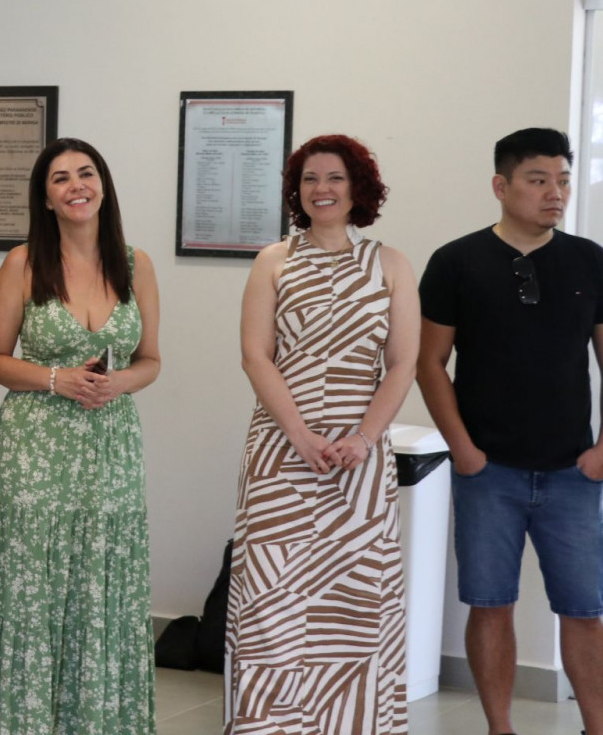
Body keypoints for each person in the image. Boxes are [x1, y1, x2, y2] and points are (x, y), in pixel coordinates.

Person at [0, 137, 162, 735]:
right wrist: (57, 379)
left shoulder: (136, 264)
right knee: (32, 596)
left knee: (102, 591)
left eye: (86, 174)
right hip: (35, 449)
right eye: (60, 178)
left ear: (103, 185)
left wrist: (119, 382)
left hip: (111, 448)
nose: (76, 186)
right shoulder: (23, 263)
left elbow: (151, 360)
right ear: (46, 198)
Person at [225, 134, 417, 735]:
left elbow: (403, 364)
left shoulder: (391, 264)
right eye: (309, 179)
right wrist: (301, 436)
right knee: (271, 599)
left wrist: (363, 437)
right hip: (281, 453)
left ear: (358, 188)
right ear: (296, 190)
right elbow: (256, 356)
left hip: (360, 461)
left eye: (335, 177)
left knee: (353, 603)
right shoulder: (273, 260)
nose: (322, 189)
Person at [416, 127, 603, 735]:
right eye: (538, 180)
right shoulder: (456, 262)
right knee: (490, 605)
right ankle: (501, 729)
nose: (556, 193)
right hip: (488, 472)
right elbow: (428, 363)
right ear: (501, 186)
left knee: (585, 610)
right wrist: (463, 450)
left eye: (563, 180)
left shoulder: (590, 260)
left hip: (574, 471)